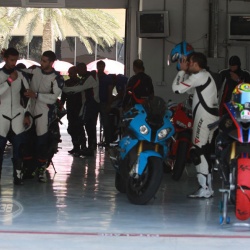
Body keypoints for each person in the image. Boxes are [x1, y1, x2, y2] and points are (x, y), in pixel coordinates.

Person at [172, 52, 219, 198]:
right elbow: (189, 89)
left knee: (197, 151)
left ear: (196, 64)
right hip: (212, 117)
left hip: (204, 118)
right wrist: (186, 72)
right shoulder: (205, 76)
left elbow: (176, 88)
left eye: (189, 62)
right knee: (204, 150)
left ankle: (204, 188)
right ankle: (208, 187)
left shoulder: (199, 76)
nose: (187, 63)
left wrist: (181, 69)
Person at [23, 50, 64, 183]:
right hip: (29, 112)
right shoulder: (35, 71)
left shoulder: (57, 78)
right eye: (41, 60)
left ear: (51, 63)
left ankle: (41, 169)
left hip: (44, 114)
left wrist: (36, 95)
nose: (42, 63)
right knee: (27, 142)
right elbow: (19, 72)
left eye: (45, 61)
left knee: (42, 143)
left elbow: (53, 98)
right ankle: (29, 169)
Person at [0, 47, 30, 185]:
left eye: (16, 60)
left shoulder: (21, 75)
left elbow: (29, 96)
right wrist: (9, 81)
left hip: (18, 114)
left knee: (18, 147)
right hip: (2, 115)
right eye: (12, 60)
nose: (14, 63)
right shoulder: (0, 75)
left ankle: (18, 176)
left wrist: (27, 114)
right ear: (5, 59)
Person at [62, 62, 99, 157]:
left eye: (76, 71)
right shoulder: (81, 80)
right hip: (79, 107)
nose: (76, 74)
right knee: (83, 127)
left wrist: (65, 89)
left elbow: (78, 89)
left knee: (85, 126)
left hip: (87, 106)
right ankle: (81, 147)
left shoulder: (87, 79)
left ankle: (87, 147)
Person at [61, 66, 83, 155]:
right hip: (70, 108)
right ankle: (76, 146)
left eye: (72, 73)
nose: (70, 75)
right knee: (71, 128)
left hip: (79, 108)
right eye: (69, 73)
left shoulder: (80, 83)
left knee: (79, 128)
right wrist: (61, 106)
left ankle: (82, 146)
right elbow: (63, 96)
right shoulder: (66, 83)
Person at [97, 60, 113, 147]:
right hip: (95, 103)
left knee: (105, 123)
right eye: (99, 66)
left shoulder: (107, 78)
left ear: (104, 67)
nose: (100, 68)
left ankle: (107, 142)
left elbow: (109, 91)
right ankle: (93, 143)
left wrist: (109, 104)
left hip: (104, 102)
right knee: (92, 123)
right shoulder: (94, 77)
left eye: (101, 66)